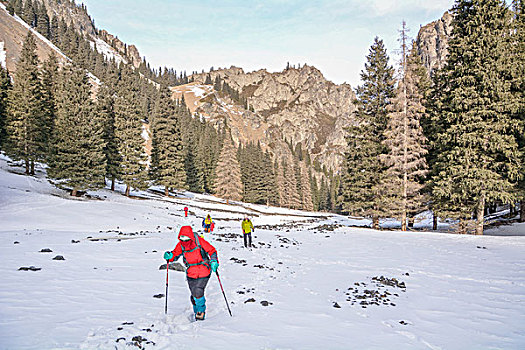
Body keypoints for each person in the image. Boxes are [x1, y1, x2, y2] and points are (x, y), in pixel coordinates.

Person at [164, 226, 219, 321]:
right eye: (182, 239)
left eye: (186, 239)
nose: (184, 241)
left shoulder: (199, 241)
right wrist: (170, 256)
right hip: (191, 273)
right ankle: (196, 310)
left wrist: (214, 261)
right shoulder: (181, 245)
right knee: (194, 294)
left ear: (190, 237)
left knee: (198, 291)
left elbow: (212, 250)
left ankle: (201, 311)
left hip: (204, 270)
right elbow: (175, 255)